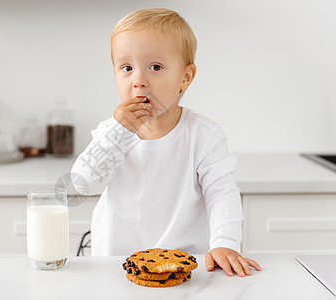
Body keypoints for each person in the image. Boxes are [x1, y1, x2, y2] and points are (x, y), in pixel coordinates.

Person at [71, 8, 261, 277]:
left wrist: (224, 244)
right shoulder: (110, 133)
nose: (138, 81)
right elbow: (83, 183)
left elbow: (222, 193)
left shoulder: (203, 135)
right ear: (115, 74)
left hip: (185, 267)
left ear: (185, 77)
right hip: (115, 267)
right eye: (127, 68)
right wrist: (117, 131)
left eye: (155, 67)